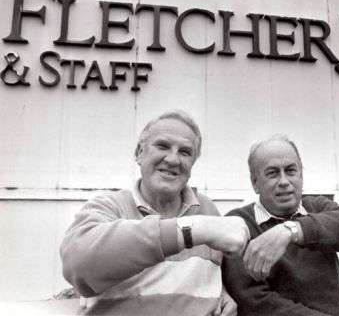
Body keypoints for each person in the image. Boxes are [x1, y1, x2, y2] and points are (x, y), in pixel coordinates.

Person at [60, 110, 250, 316]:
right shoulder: (109, 206)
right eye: (162, 146)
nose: (172, 159)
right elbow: (78, 265)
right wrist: (191, 230)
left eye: (185, 152)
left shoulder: (207, 209)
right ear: (139, 153)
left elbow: (204, 274)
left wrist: (221, 291)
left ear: (193, 163)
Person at [222, 135, 339, 316]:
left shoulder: (316, 207)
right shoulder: (238, 224)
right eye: (272, 173)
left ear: (301, 174)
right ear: (255, 183)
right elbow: (254, 302)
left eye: (291, 170)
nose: (284, 181)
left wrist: (292, 230)